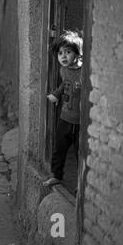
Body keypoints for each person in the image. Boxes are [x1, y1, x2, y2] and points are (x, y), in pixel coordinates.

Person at [43, 31, 83, 187]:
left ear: (78, 54)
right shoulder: (63, 70)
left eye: (68, 52)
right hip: (65, 118)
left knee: (81, 153)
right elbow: (64, 84)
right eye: (60, 53)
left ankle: (82, 183)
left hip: (80, 121)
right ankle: (56, 175)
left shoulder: (84, 72)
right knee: (59, 148)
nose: (63, 56)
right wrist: (56, 94)